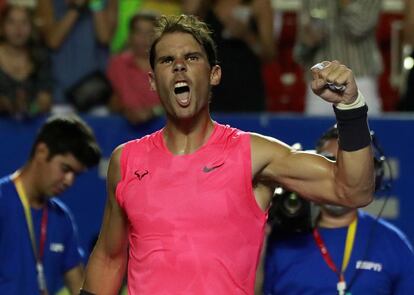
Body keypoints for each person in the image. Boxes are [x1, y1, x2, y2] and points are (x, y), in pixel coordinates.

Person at [81, 15, 375, 295]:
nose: (179, 66)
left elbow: (353, 191)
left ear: (214, 75)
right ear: (152, 80)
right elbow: (109, 257)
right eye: (167, 60)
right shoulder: (126, 161)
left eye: (192, 57)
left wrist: (350, 109)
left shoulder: (254, 155)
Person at [262, 126, 414, 294]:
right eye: (330, 163)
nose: (341, 175)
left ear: (371, 175)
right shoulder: (277, 239)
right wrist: (260, 235)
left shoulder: (393, 244)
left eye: (350, 167)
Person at [0, 115, 102, 294]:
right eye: (65, 169)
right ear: (41, 152)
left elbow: (79, 285)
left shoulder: (62, 218)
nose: (69, 181)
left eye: (75, 174)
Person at [294, 0, 383, 115]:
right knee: (317, 131)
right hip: (319, 84)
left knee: (362, 130)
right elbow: (299, 51)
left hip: (360, 80)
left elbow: (358, 27)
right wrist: (309, 40)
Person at [35, 0, 117, 111]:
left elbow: (104, 37)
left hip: (94, 88)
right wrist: (76, 7)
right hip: (60, 90)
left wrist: (95, 3)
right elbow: (53, 41)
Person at [203, 0, 275, 112]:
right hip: (213, 89)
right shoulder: (206, 5)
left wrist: (247, 35)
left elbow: (269, 54)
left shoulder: (259, 4)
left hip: (247, 88)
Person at [107, 12, 162, 125]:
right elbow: (112, 102)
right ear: (130, 35)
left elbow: (177, 102)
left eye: (149, 33)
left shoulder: (168, 65)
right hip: (123, 126)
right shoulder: (118, 64)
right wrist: (124, 110)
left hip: (162, 125)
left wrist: (153, 112)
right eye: (139, 32)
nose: (144, 39)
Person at [0, 4, 52, 119]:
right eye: (11, 22)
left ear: (32, 27)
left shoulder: (40, 57)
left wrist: (30, 108)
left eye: (24, 22)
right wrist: (7, 105)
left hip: (32, 126)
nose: (18, 29)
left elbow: (45, 101)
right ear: (2, 26)